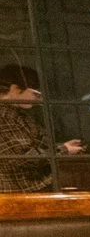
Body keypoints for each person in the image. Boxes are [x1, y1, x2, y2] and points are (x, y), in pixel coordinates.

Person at [0, 63, 83, 192]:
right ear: (15, 89)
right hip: (24, 191)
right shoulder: (4, 116)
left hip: (29, 187)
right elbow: (23, 157)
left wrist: (63, 147)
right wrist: (64, 149)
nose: (39, 100)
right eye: (36, 94)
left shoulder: (15, 114)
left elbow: (35, 145)